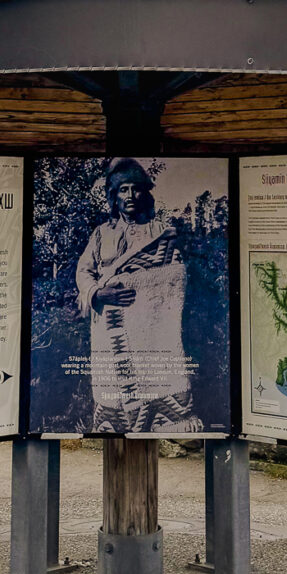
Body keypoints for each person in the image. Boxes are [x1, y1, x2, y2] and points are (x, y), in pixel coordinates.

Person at [75, 158, 199, 433]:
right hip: (110, 327)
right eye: (123, 190)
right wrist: (98, 293)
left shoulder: (160, 231)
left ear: (145, 193)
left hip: (153, 326)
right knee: (114, 394)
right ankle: (115, 426)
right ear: (114, 196)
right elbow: (83, 272)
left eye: (135, 189)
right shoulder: (101, 234)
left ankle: (162, 421)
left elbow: (175, 275)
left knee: (154, 370)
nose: (130, 196)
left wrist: (149, 284)